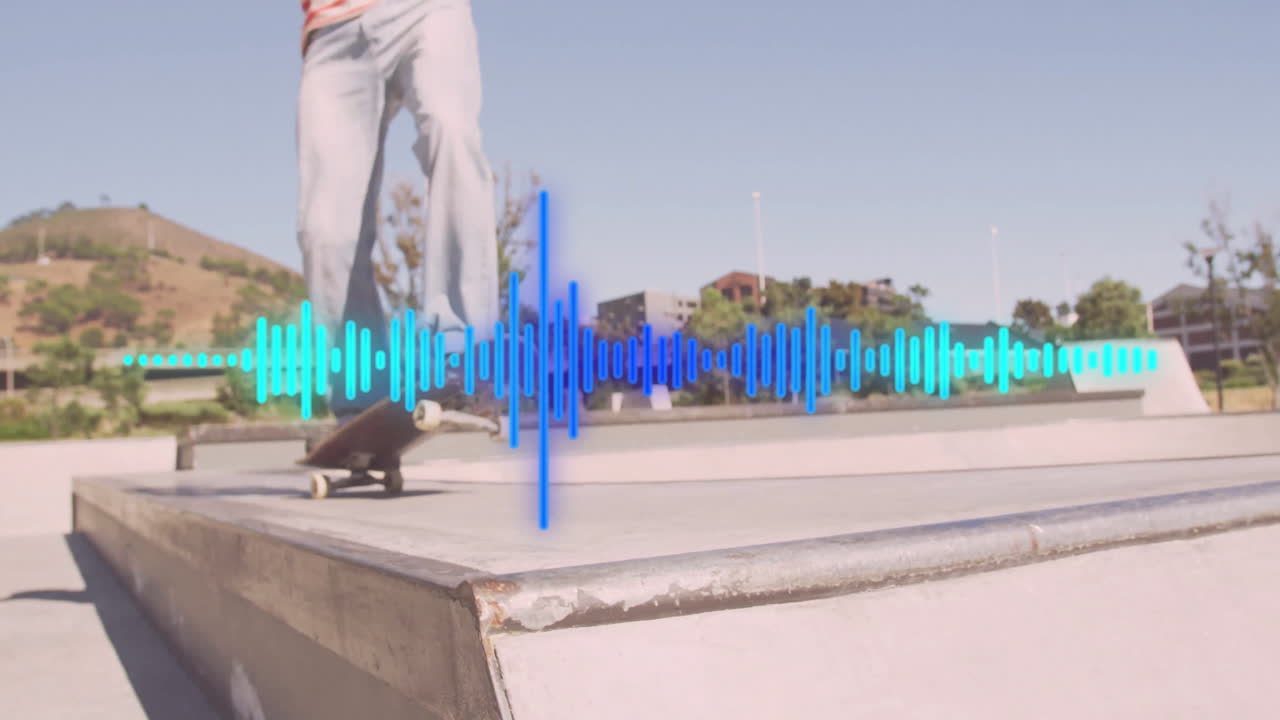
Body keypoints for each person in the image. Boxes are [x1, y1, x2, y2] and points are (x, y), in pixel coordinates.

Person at [296, 0, 498, 424]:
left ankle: (460, 362)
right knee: (325, 230)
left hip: (428, 9)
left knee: (452, 135)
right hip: (334, 34)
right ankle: (361, 398)